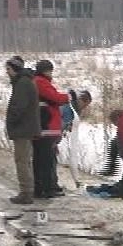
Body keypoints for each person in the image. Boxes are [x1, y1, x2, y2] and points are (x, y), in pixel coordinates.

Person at [32, 59, 70, 198]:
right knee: (46, 160)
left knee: (42, 159)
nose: (51, 73)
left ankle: (43, 187)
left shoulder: (38, 82)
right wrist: (68, 97)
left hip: (44, 127)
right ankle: (47, 188)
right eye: (49, 70)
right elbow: (55, 97)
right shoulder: (40, 82)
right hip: (46, 127)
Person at [4, 56, 40, 205]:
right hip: (26, 128)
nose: (7, 72)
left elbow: (18, 107)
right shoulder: (24, 82)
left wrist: (10, 122)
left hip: (22, 129)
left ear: (14, 69)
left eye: (8, 69)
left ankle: (26, 193)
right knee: (25, 161)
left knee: (22, 161)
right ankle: (28, 190)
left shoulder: (22, 83)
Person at [58, 89, 93, 188]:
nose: (85, 107)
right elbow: (59, 122)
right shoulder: (67, 107)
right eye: (85, 105)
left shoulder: (73, 109)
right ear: (81, 100)